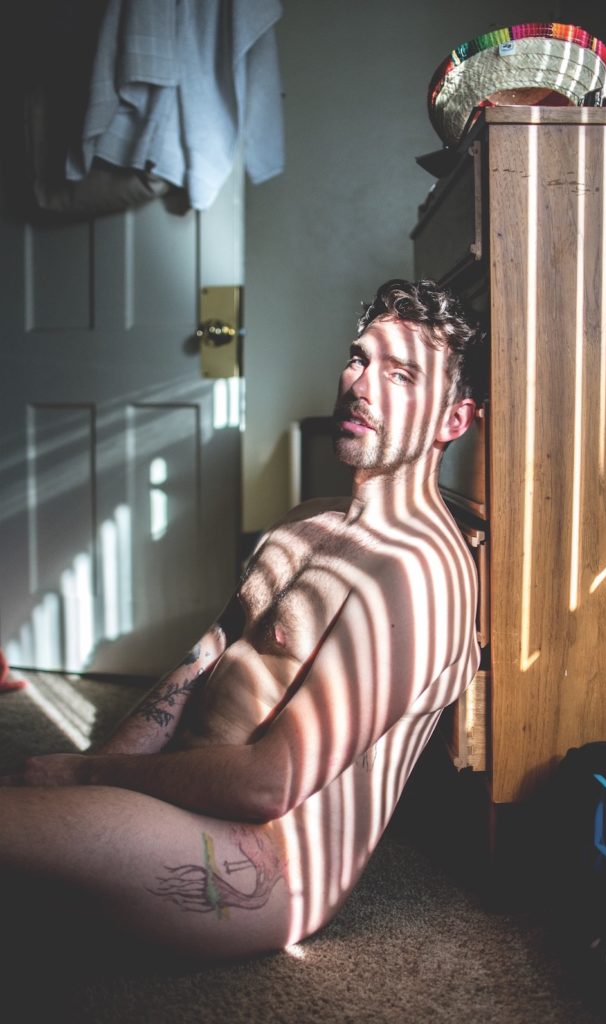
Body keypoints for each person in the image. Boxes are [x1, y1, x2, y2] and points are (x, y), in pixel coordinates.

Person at [0, 279, 484, 960]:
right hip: (172, 796)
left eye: (401, 374)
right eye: (359, 358)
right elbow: (200, 661)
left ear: (452, 421)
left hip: (258, 861)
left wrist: (85, 781)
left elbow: (269, 784)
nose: (361, 385)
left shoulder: (414, 575)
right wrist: (96, 767)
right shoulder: (305, 521)